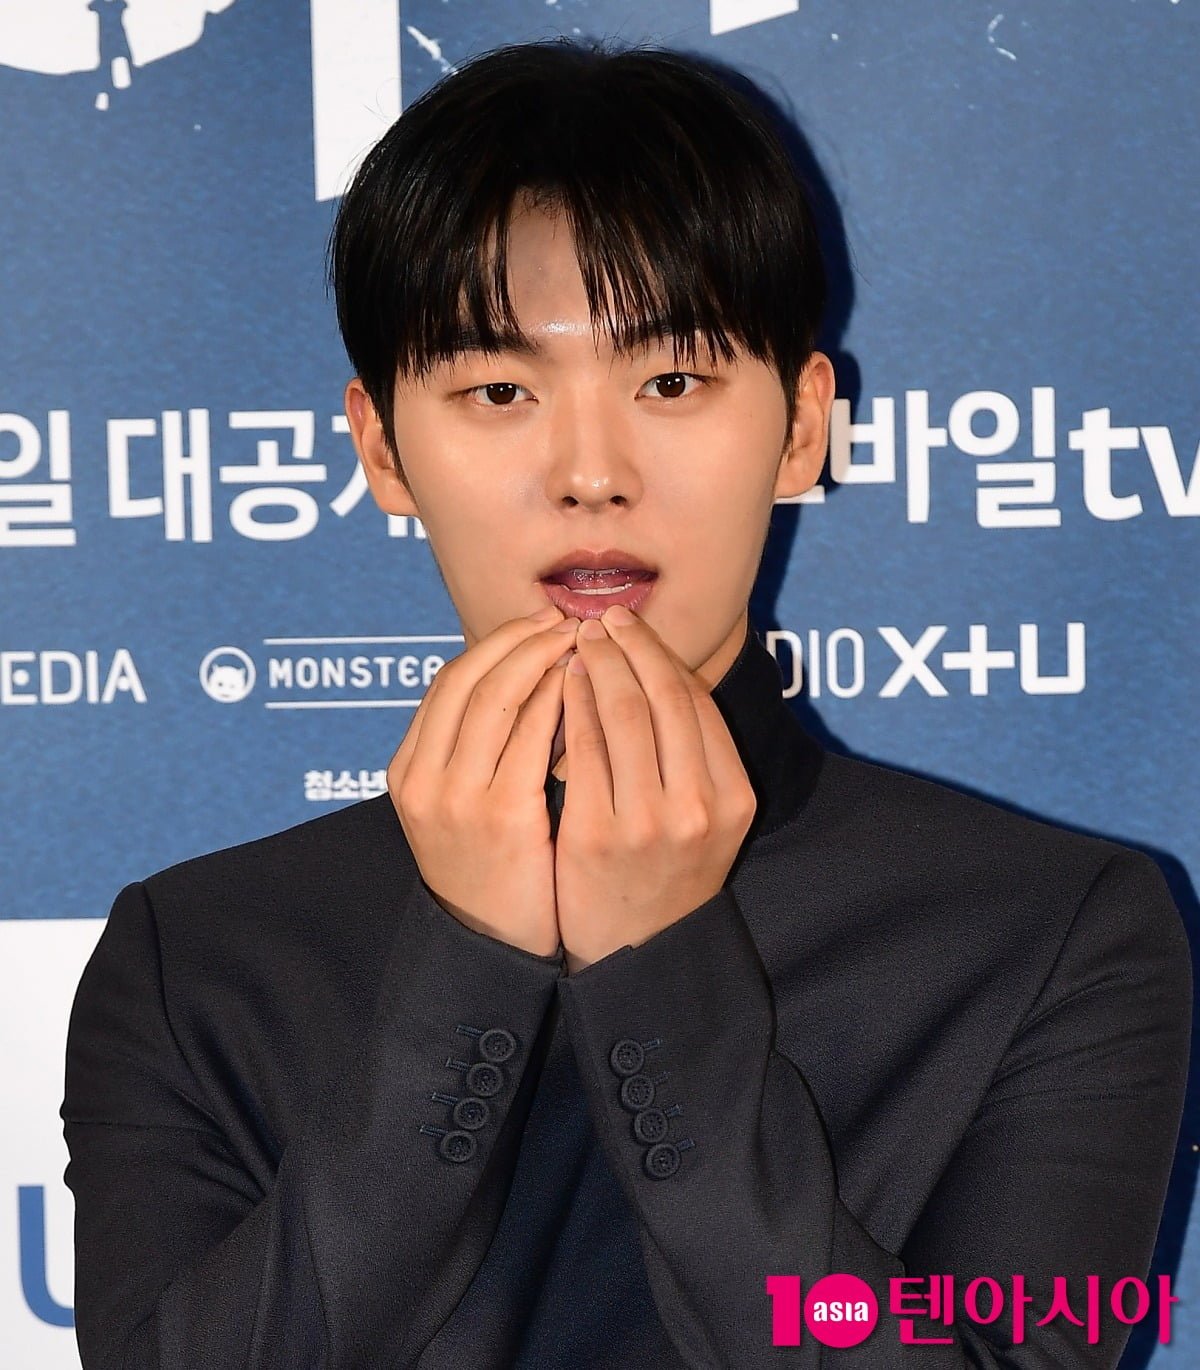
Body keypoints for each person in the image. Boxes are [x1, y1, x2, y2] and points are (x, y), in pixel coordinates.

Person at [61, 36, 1191, 1369]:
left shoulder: (1054, 934)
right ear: (382, 448)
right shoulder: (198, 958)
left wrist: (659, 974)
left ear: (802, 426)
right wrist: (466, 966)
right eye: (499, 391)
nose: (590, 471)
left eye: (671, 382)